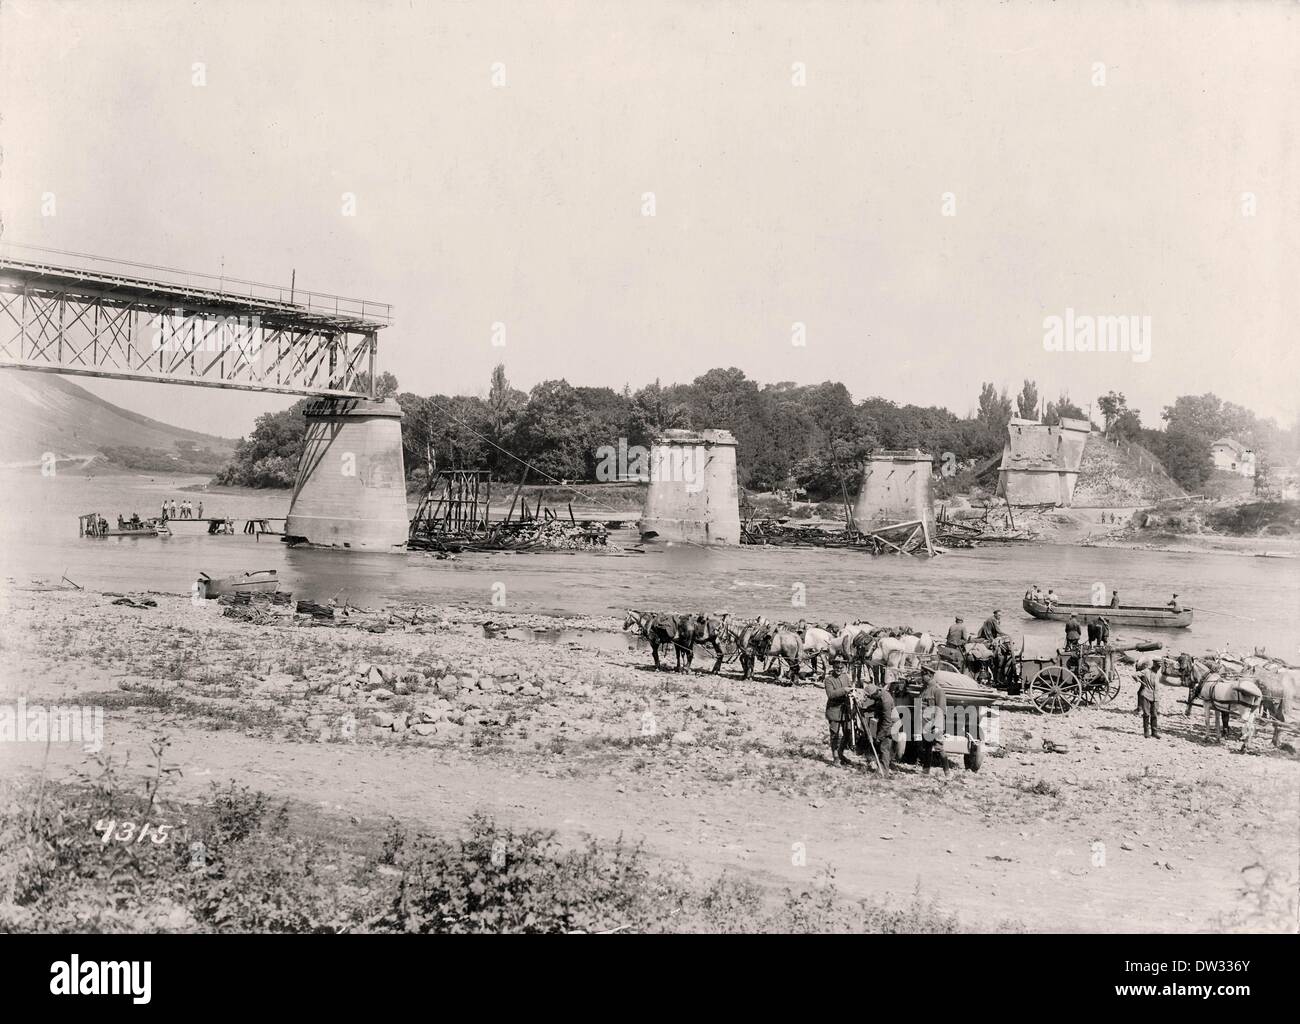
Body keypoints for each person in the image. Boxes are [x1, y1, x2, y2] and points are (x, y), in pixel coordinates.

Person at [858, 679, 895, 775]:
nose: (870, 698)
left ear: (874, 694)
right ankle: (882, 767)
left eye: (870, 696)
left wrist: (880, 736)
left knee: (884, 748)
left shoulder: (885, 701)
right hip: (884, 722)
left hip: (889, 726)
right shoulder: (880, 693)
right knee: (882, 747)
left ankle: (883, 772)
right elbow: (876, 705)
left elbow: (887, 721)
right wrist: (867, 709)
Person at [918, 671, 949, 776]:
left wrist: (937, 726)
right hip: (925, 724)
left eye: (923, 675)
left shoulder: (938, 690)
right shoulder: (924, 690)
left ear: (930, 676)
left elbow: (941, 710)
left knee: (939, 748)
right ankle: (925, 771)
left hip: (934, 725)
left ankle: (947, 772)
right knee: (927, 748)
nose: (922, 677)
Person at [823, 654, 853, 765]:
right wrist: (844, 690)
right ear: (833, 666)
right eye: (837, 666)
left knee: (848, 733)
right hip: (834, 711)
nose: (839, 669)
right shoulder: (828, 680)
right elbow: (831, 694)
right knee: (834, 734)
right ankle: (835, 757)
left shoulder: (845, 677)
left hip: (846, 711)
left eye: (841, 667)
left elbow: (849, 686)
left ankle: (840, 753)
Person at [1136, 660, 1162, 739]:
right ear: (1154, 665)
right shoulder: (1146, 671)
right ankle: (1146, 732)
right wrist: (1140, 681)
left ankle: (1154, 732)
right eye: (1157, 666)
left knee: (1154, 714)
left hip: (1155, 696)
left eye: (1159, 667)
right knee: (1146, 714)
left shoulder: (1158, 673)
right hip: (1146, 695)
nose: (1158, 668)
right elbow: (1135, 675)